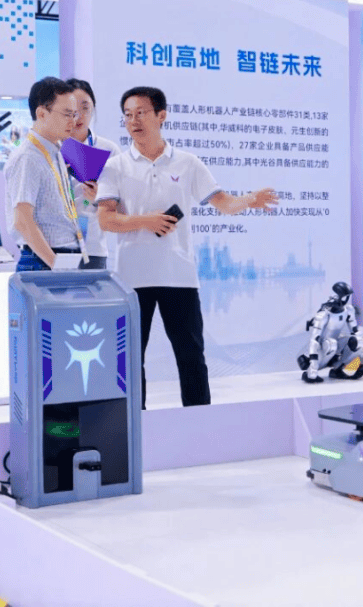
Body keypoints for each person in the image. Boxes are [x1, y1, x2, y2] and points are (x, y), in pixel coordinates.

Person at [96, 86, 279, 409]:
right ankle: (135, 423)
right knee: (130, 358)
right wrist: (146, 221)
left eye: (141, 113)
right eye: (128, 115)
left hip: (178, 275)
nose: (133, 121)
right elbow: (106, 219)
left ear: (161, 116)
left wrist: (251, 199)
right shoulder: (115, 167)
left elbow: (223, 203)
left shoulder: (187, 163)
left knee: (191, 355)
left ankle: (199, 421)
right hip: (131, 278)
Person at [4, 77, 84, 271]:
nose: (73, 121)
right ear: (41, 113)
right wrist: (55, 264)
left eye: (74, 114)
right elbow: (23, 221)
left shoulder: (55, 151)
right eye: (66, 114)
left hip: (59, 259)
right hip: (43, 262)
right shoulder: (28, 157)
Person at [64, 78, 121, 270]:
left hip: (93, 249)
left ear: (93, 109)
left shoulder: (108, 150)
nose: (79, 116)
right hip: (55, 247)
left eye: (85, 108)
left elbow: (122, 206)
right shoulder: (52, 147)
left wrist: (100, 198)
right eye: (72, 110)